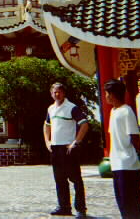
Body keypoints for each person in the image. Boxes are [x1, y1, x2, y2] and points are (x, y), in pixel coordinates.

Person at [44, 82, 89, 218]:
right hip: (55, 148)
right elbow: (46, 125)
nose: (57, 94)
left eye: (59, 91)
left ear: (64, 93)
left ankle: (81, 209)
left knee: (76, 180)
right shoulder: (51, 109)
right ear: (51, 94)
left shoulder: (72, 108)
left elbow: (84, 124)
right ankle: (64, 207)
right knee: (59, 179)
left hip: (68, 148)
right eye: (54, 92)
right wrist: (47, 141)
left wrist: (76, 142)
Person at [104, 79, 140, 219]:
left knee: (131, 201)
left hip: (128, 163)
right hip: (117, 163)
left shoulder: (127, 111)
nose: (106, 96)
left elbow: (134, 137)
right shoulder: (113, 112)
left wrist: (139, 156)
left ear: (113, 94)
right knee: (122, 201)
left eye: (107, 93)